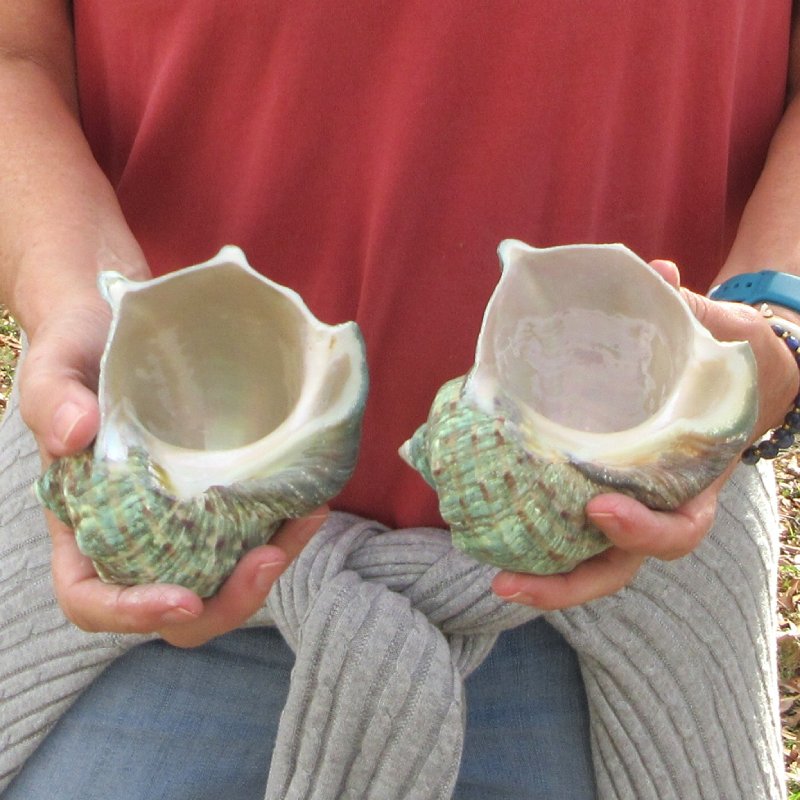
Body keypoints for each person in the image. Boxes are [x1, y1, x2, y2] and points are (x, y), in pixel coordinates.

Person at [0, 1, 797, 798]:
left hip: (636, 596)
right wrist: (69, 290)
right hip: (136, 578)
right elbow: (16, 52)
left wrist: (777, 318)